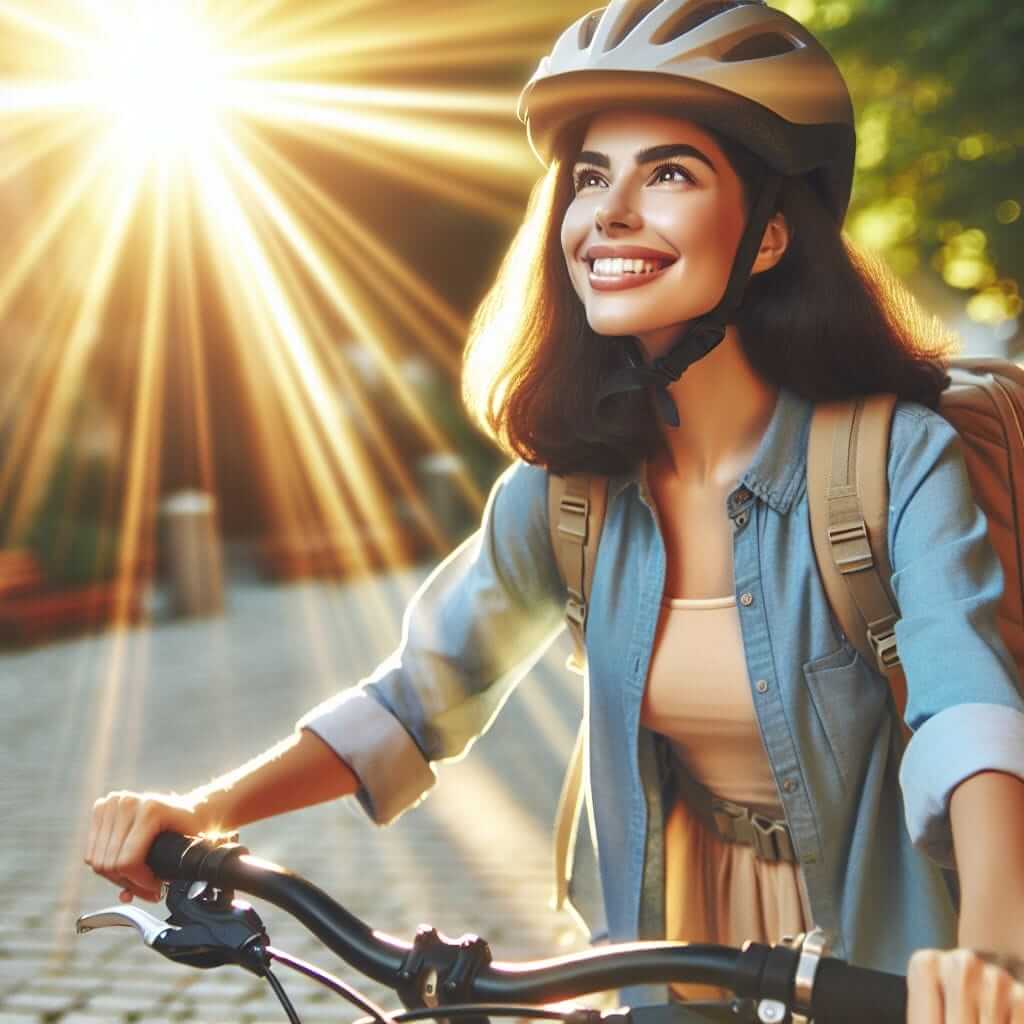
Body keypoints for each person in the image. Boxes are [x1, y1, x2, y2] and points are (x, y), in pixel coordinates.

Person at [86, 1, 1024, 1020]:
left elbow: (961, 702)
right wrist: (208, 809)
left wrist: (994, 951)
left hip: (886, 950)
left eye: (668, 172)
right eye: (590, 176)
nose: (609, 211)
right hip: (664, 948)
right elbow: (417, 697)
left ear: (768, 237)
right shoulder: (567, 491)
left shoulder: (892, 460)